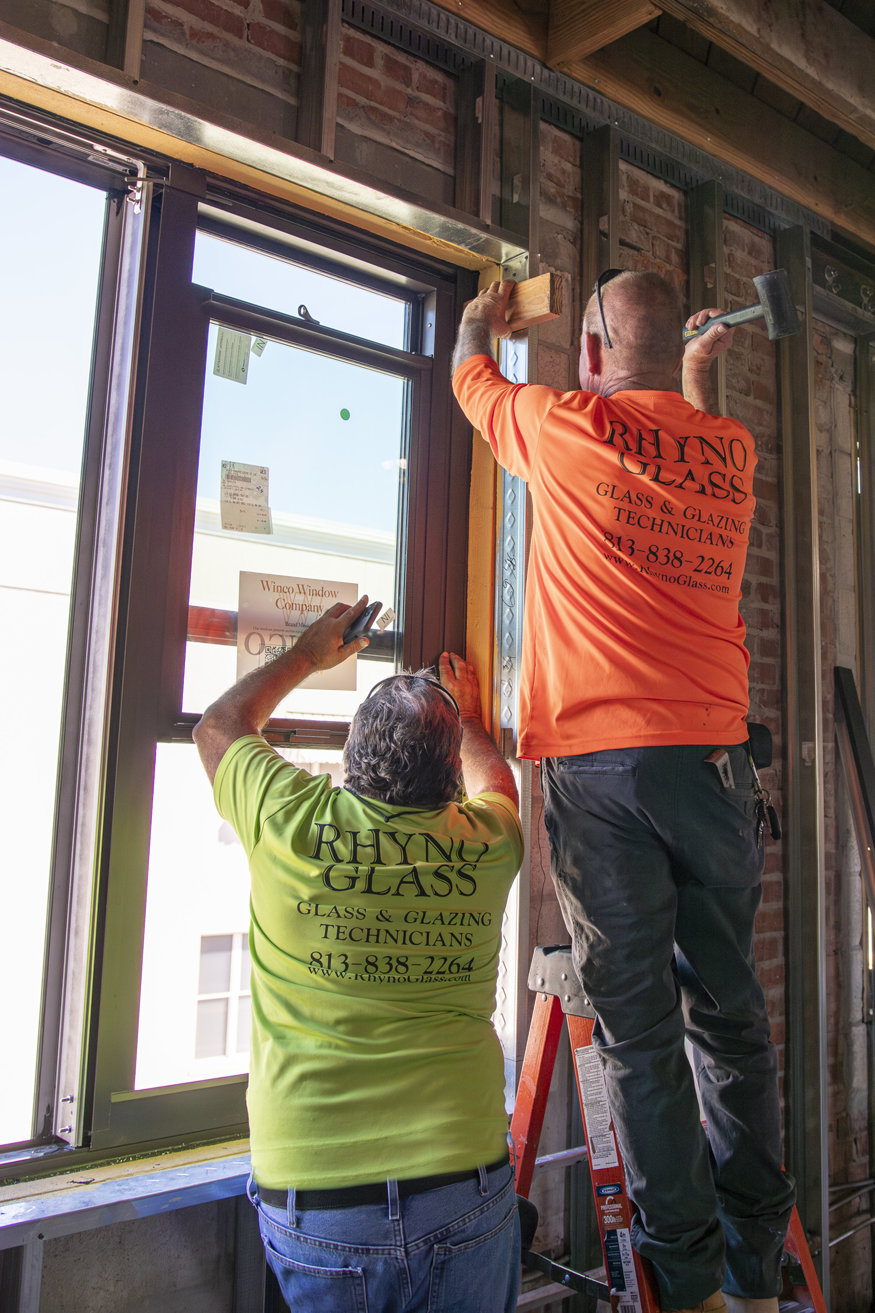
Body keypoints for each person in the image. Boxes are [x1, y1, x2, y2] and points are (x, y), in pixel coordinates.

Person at [451, 271, 796, 1313]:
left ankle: (683, 1283)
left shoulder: (561, 428)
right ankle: (753, 1273)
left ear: (591, 351)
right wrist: (691, 371)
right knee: (728, 1021)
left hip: (600, 770)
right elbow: (681, 429)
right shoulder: (727, 450)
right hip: (710, 764)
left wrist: (486, 311)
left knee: (640, 1035)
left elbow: (466, 371)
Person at [192, 596, 524, 1313]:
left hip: (319, 1199)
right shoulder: (489, 844)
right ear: (448, 779)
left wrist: (309, 653)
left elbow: (219, 725)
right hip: (460, 1179)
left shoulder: (289, 820)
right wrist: (465, 717)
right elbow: (499, 782)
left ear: (351, 758)